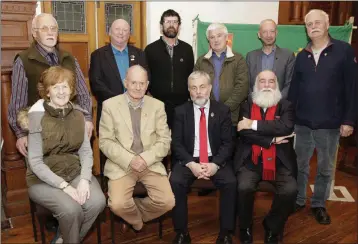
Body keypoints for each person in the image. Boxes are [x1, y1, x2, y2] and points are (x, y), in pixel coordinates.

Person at [20, 66, 105, 244]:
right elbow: (35, 162)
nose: (61, 91)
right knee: (71, 210)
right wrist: (65, 187)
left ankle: (64, 238)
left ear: (71, 90)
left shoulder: (78, 115)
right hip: (42, 179)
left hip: (73, 171)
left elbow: (85, 151)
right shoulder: (36, 116)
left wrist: (83, 180)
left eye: (65, 86)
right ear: (47, 91)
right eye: (55, 86)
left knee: (97, 201)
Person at [288, 9, 357, 225]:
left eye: (318, 22)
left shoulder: (344, 51)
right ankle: (299, 200)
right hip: (302, 124)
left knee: (325, 169)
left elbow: (352, 88)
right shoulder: (301, 55)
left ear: (327, 25)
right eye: (309, 24)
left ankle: (318, 204)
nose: (314, 26)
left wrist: (348, 120)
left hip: (330, 124)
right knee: (299, 165)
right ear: (306, 29)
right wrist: (289, 119)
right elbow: (293, 92)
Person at [99, 65, 175, 232]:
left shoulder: (157, 106)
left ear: (147, 85)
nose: (138, 87)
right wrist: (130, 159)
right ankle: (137, 221)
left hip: (150, 163)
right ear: (125, 83)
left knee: (168, 202)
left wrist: (144, 159)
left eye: (142, 83)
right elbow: (105, 141)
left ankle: (132, 215)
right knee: (117, 204)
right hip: (122, 164)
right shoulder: (110, 105)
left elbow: (164, 140)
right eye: (133, 83)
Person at [8, 13, 93, 158]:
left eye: (53, 28)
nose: (50, 32)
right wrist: (21, 133)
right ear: (35, 33)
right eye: (44, 28)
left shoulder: (69, 58)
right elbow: (17, 102)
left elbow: (83, 93)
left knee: (76, 173)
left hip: (72, 130)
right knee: (45, 176)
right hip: (41, 133)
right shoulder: (24, 60)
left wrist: (87, 119)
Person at [170, 71, 236, 244]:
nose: (198, 92)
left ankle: (226, 233)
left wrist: (215, 165)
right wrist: (191, 164)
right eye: (193, 88)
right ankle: (182, 232)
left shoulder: (222, 110)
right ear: (189, 91)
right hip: (189, 159)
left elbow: (228, 143)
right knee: (175, 181)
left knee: (230, 182)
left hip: (216, 159)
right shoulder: (180, 112)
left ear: (210, 88)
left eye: (202, 87)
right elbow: (176, 143)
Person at [235, 70, 297, 244]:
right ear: (256, 84)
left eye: (271, 81)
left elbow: (285, 127)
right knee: (244, 187)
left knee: (290, 190)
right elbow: (244, 134)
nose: (267, 85)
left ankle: (271, 225)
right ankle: (245, 226)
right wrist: (271, 139)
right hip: (251, 159)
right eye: (263, 81)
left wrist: (252, 123)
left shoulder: (286, 105)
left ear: (276, 84)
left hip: (279, 161)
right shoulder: (247, 104)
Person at [89, 18, 147, 134]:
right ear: (110, 32)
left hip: (136, 110)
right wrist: (121, 101)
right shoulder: (98, 55)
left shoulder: (139, 54)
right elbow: (96, 84)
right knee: (109, 150)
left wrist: (132, 100)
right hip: (109, 112)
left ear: (129, 34)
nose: (121, 33)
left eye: (125, 30)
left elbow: (146, 78)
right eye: (117, 29)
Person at [194, 23, 249, 135]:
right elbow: (195, 87)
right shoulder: (201, 61)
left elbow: (242, 87)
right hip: (206, 115)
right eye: (212, 37)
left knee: (228, 150)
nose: (216, 40)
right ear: (208, 40)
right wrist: (210, 109)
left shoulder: (238, 59)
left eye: (219, 35)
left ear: (226, 37)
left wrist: (225, 109)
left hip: (230, 116)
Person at [145, 9, 194, 129]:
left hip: (182, 105)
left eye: (175, 22)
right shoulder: (150, 49)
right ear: (161, 26)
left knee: (179, 141)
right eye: (167, 21)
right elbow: (146, 75)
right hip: (157, 104)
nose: (171, 25)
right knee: (159, 141)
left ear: (179, 26)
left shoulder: (187, 49)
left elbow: (190, 74)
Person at [246, 19, 295, 98]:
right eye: (265, 32)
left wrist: (277, 102)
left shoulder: (288, 55)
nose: (268, 35)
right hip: (255, 105)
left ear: (276, 33)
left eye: (272, 31)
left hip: (279, 105)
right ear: (259, 34)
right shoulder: (251, 56)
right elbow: (247, 84)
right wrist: (254, 101)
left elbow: (289, 83)